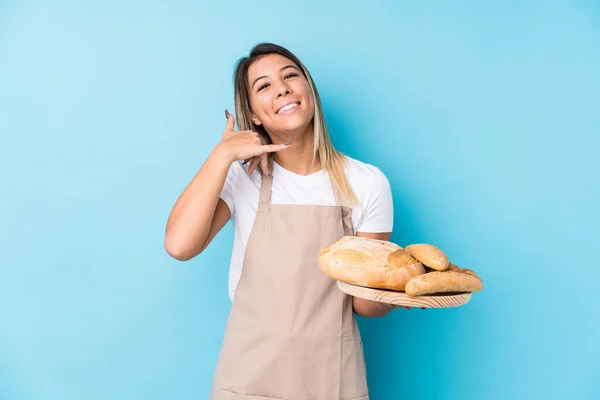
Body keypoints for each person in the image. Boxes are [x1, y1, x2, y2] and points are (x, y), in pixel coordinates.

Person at [164, 42, 405, 400]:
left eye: (290, 75)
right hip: (248, 378)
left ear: (309, 90)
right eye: (263, 86)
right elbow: (179, 246)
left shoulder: (367, 183)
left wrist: (400, 282)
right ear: (254, 114)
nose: (282, 88)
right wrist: (222, 155)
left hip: (331, 378)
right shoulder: (241, 176)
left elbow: (366, 306)